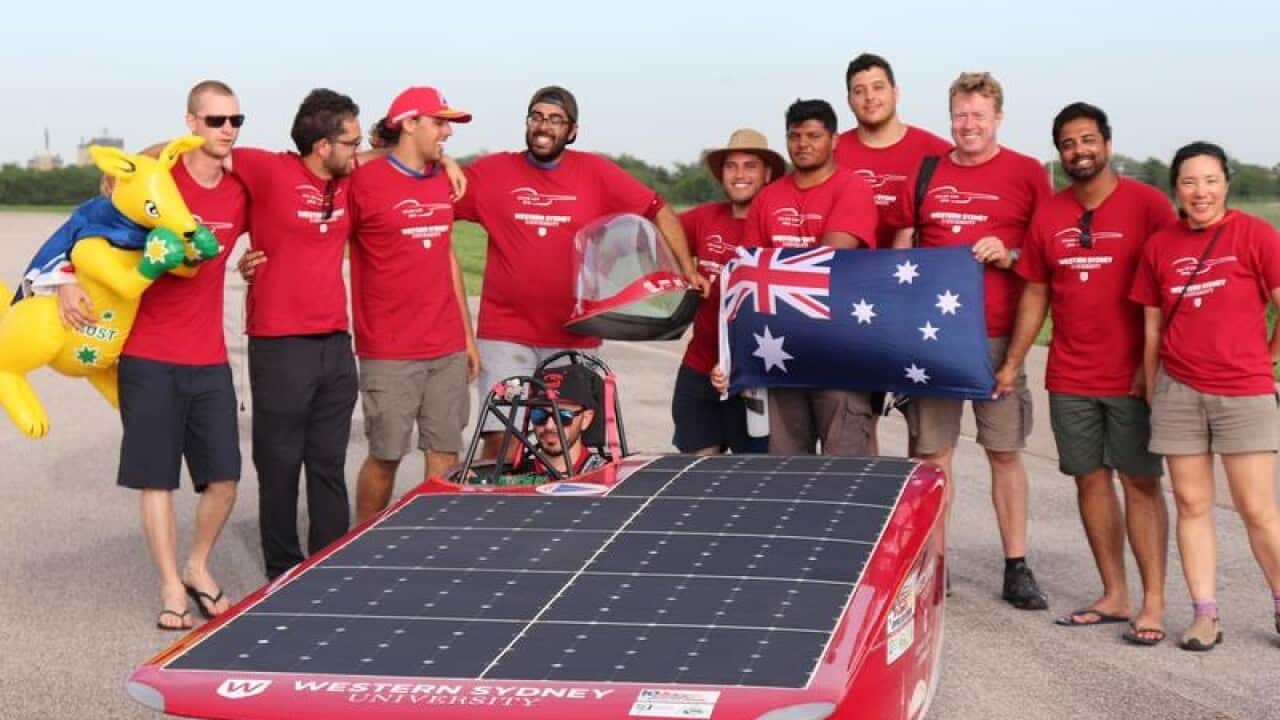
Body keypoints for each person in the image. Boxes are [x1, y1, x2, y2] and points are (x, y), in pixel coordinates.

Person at [56, 81, 248, 629]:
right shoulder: (154, 182)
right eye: (215, 120)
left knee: (225, 480)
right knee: (156, 479)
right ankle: (170, 585)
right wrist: (65, 279)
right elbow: (79, 230)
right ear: (190, 123)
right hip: (148, 357)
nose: (228, 129)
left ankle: (197, 564)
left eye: (236, 119)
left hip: (209, 357)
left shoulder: (238, 191)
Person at [452, 85, 709, 460]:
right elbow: (431, 194)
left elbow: (657, 208)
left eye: (556, 120)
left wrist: (687, 270)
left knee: (569, 446)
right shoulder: (492, 172)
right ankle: (502, 513)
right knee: (503, 444)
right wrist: (440, 162)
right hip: (506, 333)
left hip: (575, 335)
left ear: (572, 131)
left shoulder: (596, 172)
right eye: (537, 117)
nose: (544, 126)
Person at [996, 102, 1173, 642]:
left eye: (1088, 140)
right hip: (1070, 373)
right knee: (1089, 481)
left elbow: (1173, 283)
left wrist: (1160, 365)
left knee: (1140, 481)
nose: (1080, 151)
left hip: (1132, 375)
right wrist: (1012, 362)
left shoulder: (1148, 206)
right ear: (1060, 152)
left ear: (1108, 143)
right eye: (1069, 143)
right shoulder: (1050, 214)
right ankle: (1114, 594)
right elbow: (1035, 293)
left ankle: (1155, 604)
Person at [889, 72, 1052, 609]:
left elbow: (1044, 257)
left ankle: (1016, 564)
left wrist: (1008, 253)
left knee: (1004, 452)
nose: (969, 125)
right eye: (961, 115)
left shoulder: (1027, 173)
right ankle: (936, 563)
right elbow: (905, 242)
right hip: (935, 337)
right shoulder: (928, 170)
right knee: (933, 454)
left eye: (979, 115)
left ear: (998, 117)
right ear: (950, 116)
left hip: (996, 335)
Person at [1129, 141, 1280, 651]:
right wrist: (1153, 388)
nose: (1201, 192)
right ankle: (1204, 614)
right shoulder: (1160, 246)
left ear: (1226, 183)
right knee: (1193, 503)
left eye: (1210, 180)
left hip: (1244, 389)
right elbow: (1151, 329)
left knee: (1257, 508)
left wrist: (1269, 359)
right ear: (1176, 188)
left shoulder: (1255, 235)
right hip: (1178, 389)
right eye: (1190, 182)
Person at [231, 89, 363, 580]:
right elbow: (194, 149)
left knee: (328, 463)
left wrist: (448, 162)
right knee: (280, 466)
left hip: (334, 343)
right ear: (322, 146)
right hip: (279, 342)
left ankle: (328, 568)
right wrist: (125, 169)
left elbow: (387, 149)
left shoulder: (349, 175)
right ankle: (283, 572)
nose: (357, 150)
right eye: (349, 141)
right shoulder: (268, 169)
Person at [348, 87, 479, 523]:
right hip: (389, 349)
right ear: (409, 123)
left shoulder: (444, 178)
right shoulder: (362, 180)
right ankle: (361, 541)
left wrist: (467, 338)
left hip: (445, 345)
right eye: (439, 123)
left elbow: (447, 258)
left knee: (445, 456)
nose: (446, 133)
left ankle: (430, 544)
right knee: (385, 456)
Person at [742, 98, 879, 455]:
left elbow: (832, 258)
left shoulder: (853, 187)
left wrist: (779, 267)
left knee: (844, 465)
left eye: (814, 136)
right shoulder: (768, 198)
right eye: (795, 135)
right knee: (786, 465)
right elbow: (751, 270)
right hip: (781, 347)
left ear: (834, 140)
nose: (803, 144)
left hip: (839, 347)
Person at [834, 53, 951, 454]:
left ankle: (921, 515)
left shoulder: (935, 152)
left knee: (926, 438)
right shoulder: (832, 152)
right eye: (859, 91)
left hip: (914, 306)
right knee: (857, 427)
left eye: (878, 87)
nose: (870, 98)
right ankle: (868, 512)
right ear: (849, 100)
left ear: (896, 91)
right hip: (852, 306)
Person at [671, 128, 785, 455]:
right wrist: (687, 269)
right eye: (731, 166)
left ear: (767, 174)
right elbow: (660, 234)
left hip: (756, 377)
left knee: (748, 486)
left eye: (750, 166)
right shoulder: (705, 217)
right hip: (700, 367)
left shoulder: (779, 226)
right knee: (696, 477)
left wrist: (747, 368)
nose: (739, 174)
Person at [515, 364, 608, 478]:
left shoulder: (605, 478)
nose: (549, 426)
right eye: (539, 415)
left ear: (586, 419)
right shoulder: (514, 477)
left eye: (563, 416)